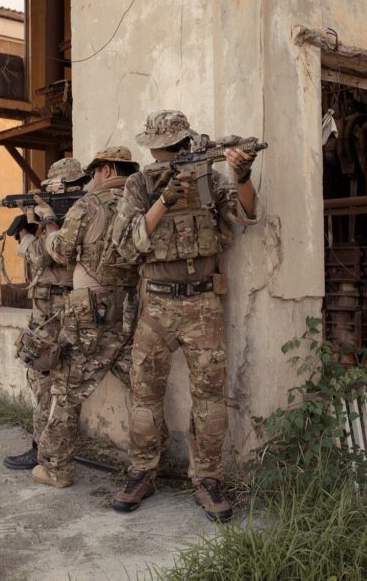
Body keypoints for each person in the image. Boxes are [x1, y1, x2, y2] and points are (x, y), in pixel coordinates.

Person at [109, 110, 260, 521]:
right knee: (145, 398)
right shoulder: (139, 185)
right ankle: (141, 472)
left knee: (210, 400)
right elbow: (126, 244)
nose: (169, 153)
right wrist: (166, 198)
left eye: (176, 146)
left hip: (202, 305)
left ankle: (208, 478)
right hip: (156, 304)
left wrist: (242, 177)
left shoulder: (210, 180)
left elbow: (246, 215)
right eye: (166, 147)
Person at [26, 146, 142, 488]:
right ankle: (148, 466)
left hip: (89, 310)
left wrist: (48, 222)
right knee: (141, 389)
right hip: (130, 305)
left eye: (94, 173)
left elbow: (60, 251)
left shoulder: (88, 205)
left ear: (105, 170)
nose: (91, 179)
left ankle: (55, 468)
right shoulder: (141, 202)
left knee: (66, 389)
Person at [3, 158, 90, 471]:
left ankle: (43, 450)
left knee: (44, 380)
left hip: (54, 310)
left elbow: (50, 254)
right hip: (61, 307)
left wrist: (27, 238)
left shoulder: (74, 217)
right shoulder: (81, 214)